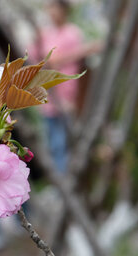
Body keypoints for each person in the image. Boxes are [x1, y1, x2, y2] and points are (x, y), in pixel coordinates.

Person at [29, 0, 101, 173]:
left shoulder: (72, 33)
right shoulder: (44, 35)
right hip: (47, 97)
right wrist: (86, 49)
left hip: (67, 96)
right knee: (53, 144)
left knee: (62, 144)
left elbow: (54, 60)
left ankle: (65, 179)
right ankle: (60, 180)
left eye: (56, 7)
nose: (52, 12)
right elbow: (40, 60)